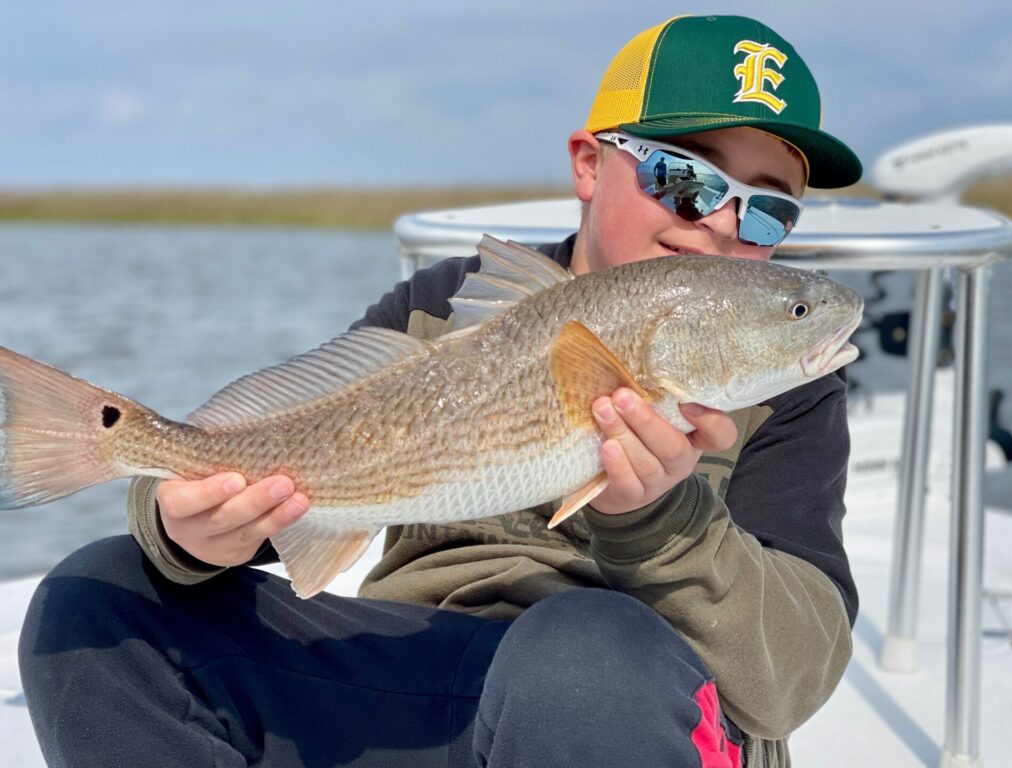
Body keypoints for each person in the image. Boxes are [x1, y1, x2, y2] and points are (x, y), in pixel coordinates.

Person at [19, 14, 862, 768]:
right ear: (587, 163)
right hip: (419, 679)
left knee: (582, 651)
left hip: (641, 706)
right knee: (95, 603)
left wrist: (661, 525)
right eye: (686, 179)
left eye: (766, 215)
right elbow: (285, 456)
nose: (718, 222)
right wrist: (184, 527)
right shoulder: (444, 308)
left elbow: (792, 683)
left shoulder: (788, 387)